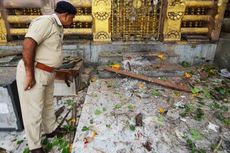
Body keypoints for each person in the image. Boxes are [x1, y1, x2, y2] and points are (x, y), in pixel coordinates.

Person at [16, 1, 76, 153]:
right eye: (72, 18)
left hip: (47, 73)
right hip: (34, 71)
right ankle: (35, 146)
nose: (73, 21)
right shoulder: (45, 22)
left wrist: (59, 71)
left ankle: (51, 130)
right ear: (65, 15)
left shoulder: (58, 26)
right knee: (33, 111)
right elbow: (28, 44)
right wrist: (29, 75)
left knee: (48, 104)